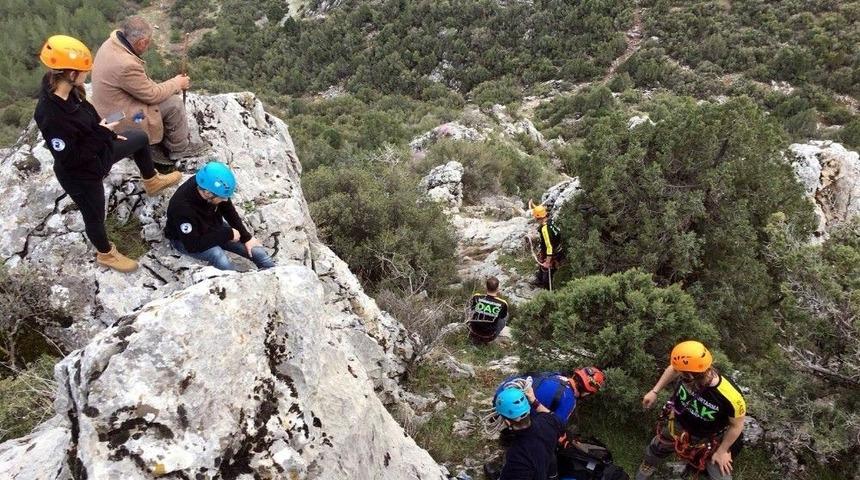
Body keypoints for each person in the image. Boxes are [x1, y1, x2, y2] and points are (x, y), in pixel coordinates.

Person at [33, 35, 182, 273]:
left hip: (99, 151)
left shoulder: (70, 90)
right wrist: (102, 134)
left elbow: (89, 116)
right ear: (70, 73)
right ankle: (106, 254)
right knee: (94, 217)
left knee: (139, 137)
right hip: (81, 175)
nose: (87, 74)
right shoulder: (51, 116)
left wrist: (109, 135)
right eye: (83, 70)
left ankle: (151, 180)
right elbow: (70, 158)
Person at [91, 16, 207, 163]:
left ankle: (159, 138)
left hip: (108, 114)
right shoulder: (126, 64)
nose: (148, 46)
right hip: (121, 118)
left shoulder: (111, 43)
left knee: (166, 97)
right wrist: (177, 83)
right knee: (174, 104)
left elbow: (140, 85)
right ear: (141, 42)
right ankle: (179, 149)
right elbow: (152, 95)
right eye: (148, 43)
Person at [635, 341, 746, 480]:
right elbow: (673, 369)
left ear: (694, 375)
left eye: (683, 375)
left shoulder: (731, 396)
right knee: (658, 446)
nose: (679, 375)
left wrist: (722, 451)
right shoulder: (689, 372)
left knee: (722, 477)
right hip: (678, 423)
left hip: (708, 438)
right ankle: (649, 463)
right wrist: (654, 391)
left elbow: (737, 425)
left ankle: (702, 466)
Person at [165, 161, 275, 271]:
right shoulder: (182, 208)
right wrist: (227, 234)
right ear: (207, 193)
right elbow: (192, 245)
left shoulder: (208, 185)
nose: (226, 200)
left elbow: (228, 210)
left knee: (256, 251)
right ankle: (236, 281)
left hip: (212, 226)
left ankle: (272, 271)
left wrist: (246, 237)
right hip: (185, 239)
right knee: (217, 255)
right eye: (223, 197)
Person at [496, 386, 565, 480]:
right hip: (548, 466)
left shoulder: (517, 455)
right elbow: (552, 417)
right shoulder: (547, 422)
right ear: (528, 409)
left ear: (507, 422)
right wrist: (534, 400)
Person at [494, 367, 606, 424]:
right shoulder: (569, 400)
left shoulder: (555, 375)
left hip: (502, 393)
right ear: (587, 392)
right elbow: (555, 427)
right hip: (510, 411)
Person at [529, 200, 563, 289]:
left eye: (535, 218)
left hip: (553, 253)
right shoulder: (550, 221)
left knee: (547, 273)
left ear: (538, 218)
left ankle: (547, 289)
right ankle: (539, 279)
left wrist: (548, 262)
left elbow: (549, 247)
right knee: (542, 266)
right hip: (557, 248)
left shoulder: (545, 229)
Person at [467, 277, 510, 344]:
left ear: (486, 287)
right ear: (498, 288)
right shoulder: (503, 303)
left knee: (472, 311)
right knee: (506, 315)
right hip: (489, 336)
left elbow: (471, 308)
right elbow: (502, 316)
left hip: (473, 332)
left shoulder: (476, 297)